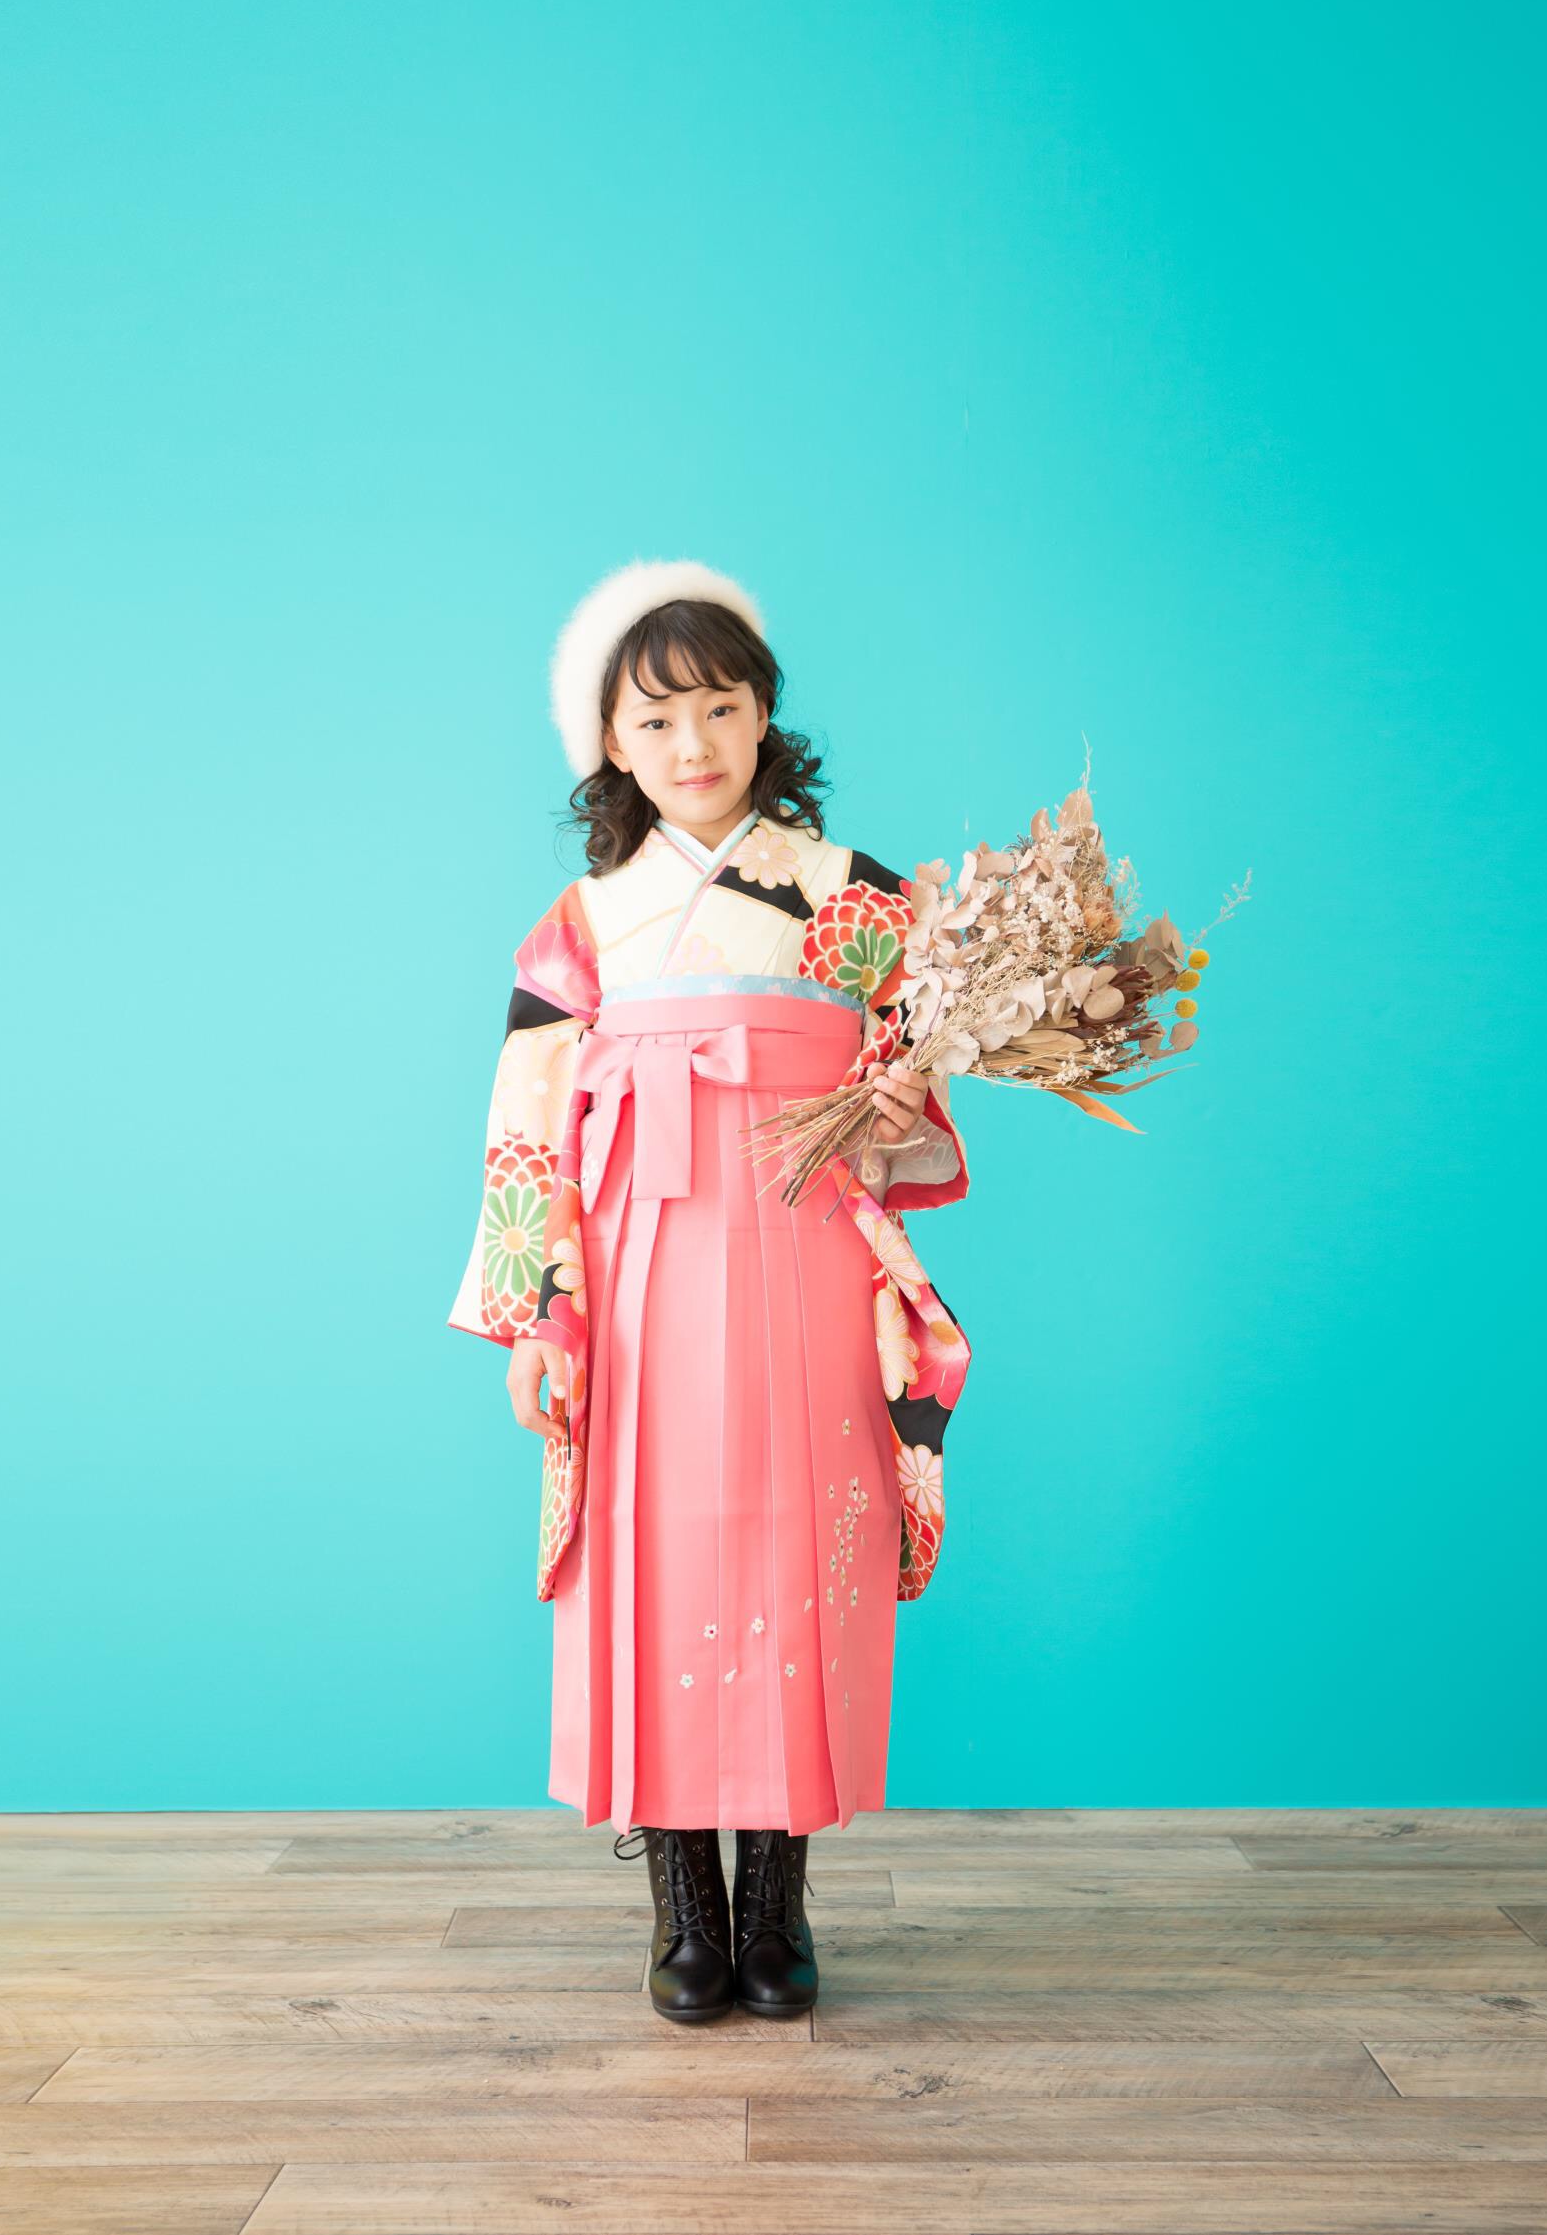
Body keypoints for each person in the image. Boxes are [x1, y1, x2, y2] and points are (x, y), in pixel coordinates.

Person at [448, 559, 973, 2024]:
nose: (694, 744)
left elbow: (914, 1075)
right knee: (653, 1554)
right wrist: (538, 1315)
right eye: (658, 718)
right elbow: (528, 1125)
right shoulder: (582, 918)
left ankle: (778, 1898)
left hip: (804, 1240)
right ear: (611, 744)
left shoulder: (857, 892)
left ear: (763, 716)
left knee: (803, 1542)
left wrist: (890, 1100)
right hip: (635, 1255)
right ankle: (682, 1897)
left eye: (721, 708)